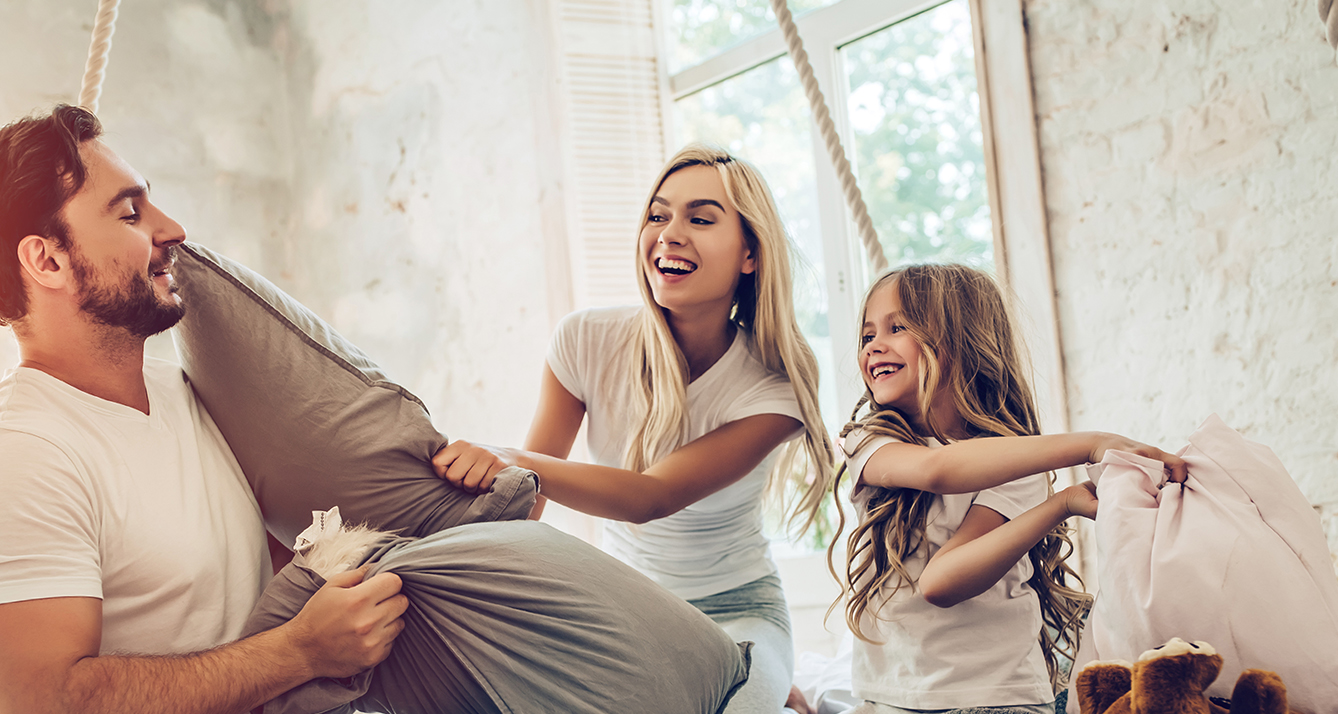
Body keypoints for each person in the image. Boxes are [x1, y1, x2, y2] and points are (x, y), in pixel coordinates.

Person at [0, 105, 409, 714]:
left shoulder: (188, 391)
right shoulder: (27, 452)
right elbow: (46, 698)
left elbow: (251, 566)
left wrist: (441, 481)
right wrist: (298, 652)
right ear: (47, 260)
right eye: (130, 212)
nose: (174, 230)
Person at [433, 144, 834, 714]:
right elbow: (528, 499)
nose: (670, 233)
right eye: (657, 214)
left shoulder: (774, 386)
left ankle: (768, 678)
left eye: (699, 218)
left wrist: (505, 457)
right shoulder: (585, 340)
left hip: (736, 611)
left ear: (750, 253)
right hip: (626, 607)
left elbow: (653, 496)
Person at [833, 263, 1188, 714]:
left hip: (999, 697)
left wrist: (1060, 504)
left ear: (963, 342)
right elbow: (939, 469)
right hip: (889, 698)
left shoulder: (1015, 464)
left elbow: (941, 582)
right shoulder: (868, 443)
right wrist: (1091, 443)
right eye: (867, 335)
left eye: (897, 327)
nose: (874, 346)